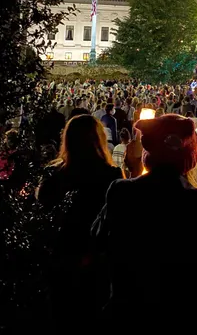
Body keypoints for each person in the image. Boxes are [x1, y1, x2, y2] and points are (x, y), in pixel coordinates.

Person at [93, 114, 197, 331]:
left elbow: (96, 243)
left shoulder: (121, 193)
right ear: (191, 158)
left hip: (128, 316)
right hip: (186, 319)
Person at [37, 115, 123, 328]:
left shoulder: (53, 174)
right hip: (96, 260)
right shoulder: (110, 175)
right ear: (98, 139)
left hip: (60, 257)